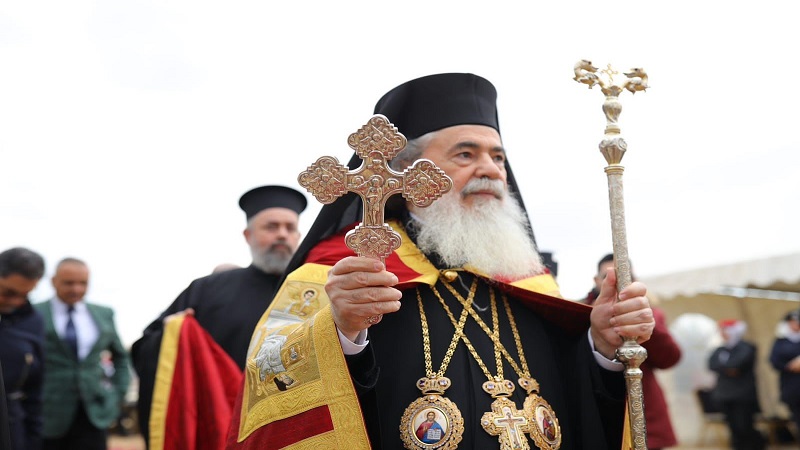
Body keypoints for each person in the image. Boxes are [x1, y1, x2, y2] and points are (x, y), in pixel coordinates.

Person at [225, 73, 655, 449]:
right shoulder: (342, 271)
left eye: (498, 157)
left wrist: (600, 346)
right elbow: (271, 380)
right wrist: (340, 332)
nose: (491, 170)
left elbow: (572, 394)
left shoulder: (525, 277)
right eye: (466, 154)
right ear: (407, 172)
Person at [131, 185, 307, 444]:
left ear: (299, 235)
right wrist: (172, 334)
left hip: (298, 428)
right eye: (271, 227)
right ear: (248, 235)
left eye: (290, 228)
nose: (282, 234)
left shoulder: (316, 290)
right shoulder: (206, 290)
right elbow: (146, 349)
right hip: (222, 430)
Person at [583, 253, 681, 450]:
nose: (617, 283)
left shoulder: (649, 313)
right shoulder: (581, 312)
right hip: (597, 413)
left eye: (625, 277)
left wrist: (645, 323)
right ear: (596, 281)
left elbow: (670, 358)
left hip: (644, 412)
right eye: (607, 277)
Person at [34, 257, 131, 450]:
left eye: (83, 283)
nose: (76, 289)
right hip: (47, 414)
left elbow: (121, 357)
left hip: (93, 414)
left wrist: (117, 394)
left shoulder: (104, 314)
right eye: (69, 283)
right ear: (54, 281)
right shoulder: (35, 313)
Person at [0, 247, 46, 450]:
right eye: (8, 293)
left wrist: (34, 438)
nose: (16, 302)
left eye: (25, 295)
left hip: (12, 428)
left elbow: (34, 389)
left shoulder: (32, 321)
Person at [708, 319, 766, 450]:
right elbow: (711, 364)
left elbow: (737, 364)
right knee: (733, 428)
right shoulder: (720, 350)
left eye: (725, 331)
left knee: (744, 426)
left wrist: (726, 367)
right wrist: (728, 369)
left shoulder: (746, 347)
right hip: (724, 395)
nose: (722, 334)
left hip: (743, 395)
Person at [769, 308, 800, 434]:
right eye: (791, 322)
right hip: (791, 385)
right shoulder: (781, 341)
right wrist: (790, 366)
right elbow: (774, 360)